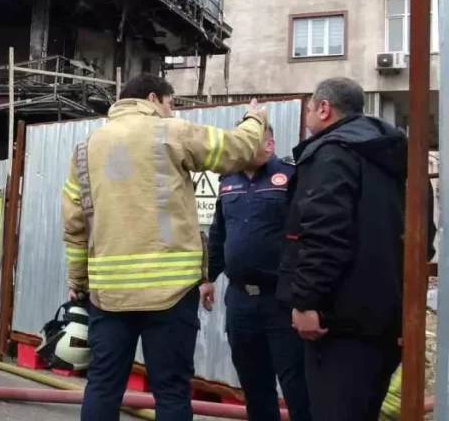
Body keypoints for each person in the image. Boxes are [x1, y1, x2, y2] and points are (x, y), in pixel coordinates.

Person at [61, 74, 268, 421]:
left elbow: (74, 224)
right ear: (154, 98)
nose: (172, 111)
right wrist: (255, 119)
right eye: (171, 103)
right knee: (170, 390)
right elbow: (236, 149)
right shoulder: (172, 132)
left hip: (108, 295)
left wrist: (79, 282)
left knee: (102, 386)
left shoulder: (85, 149)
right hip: (170, 295)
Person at [277, 77, 435, 421]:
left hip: (337, 326)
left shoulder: (331, 153)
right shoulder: (399, 155)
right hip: (388, 319)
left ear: (324, 108)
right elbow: (425, 233)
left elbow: (322, 233)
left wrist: (305, 301)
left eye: (308, 109)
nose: (307, 117)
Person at [200, 125, 311, 421]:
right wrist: (209, 278)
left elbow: (306, 234)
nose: (243, 147)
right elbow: (218, 234)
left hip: (282, 299)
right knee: (254, 385)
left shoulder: (289, 176)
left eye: (251, 141)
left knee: (296, 386)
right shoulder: (228, 182)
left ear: (269, 144)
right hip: (240, 300)